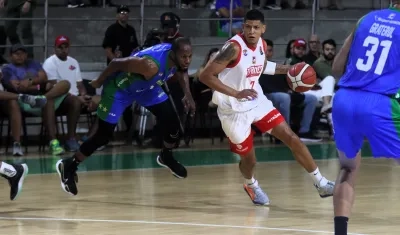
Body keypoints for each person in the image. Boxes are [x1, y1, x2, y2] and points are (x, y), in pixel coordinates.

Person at [199, 9, 335, 206]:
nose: (251, 31)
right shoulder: (233, 48)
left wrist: (288, 69)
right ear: (243, 27)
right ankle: (250, 183)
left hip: (256, 100)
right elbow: (205, 76)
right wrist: (236, 93)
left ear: (263, 28)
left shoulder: (261, 44)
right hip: (233, 109)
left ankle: (320, 183)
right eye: (247, 27)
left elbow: (260, 65)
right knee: (250, 161)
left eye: (256, 27)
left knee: (292, 137)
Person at [55, 37, 196, 196]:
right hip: (120, 90)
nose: (188, 60)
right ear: (173, 53)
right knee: (103, 136)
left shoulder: (175, 57)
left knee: (172, 123)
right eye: (184, 57)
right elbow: (116, 63)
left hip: (147, 89)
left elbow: (182, 71)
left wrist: (188, 95)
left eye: (190, 56)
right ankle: (69, 165)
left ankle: (166, 156)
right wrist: (99, 81)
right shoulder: (149, 65)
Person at [331, 3, 400, 234]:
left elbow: (337, 66)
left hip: (344, 99)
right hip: (379, 104)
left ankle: (340, 232)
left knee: (348, 168)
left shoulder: (366, 18)